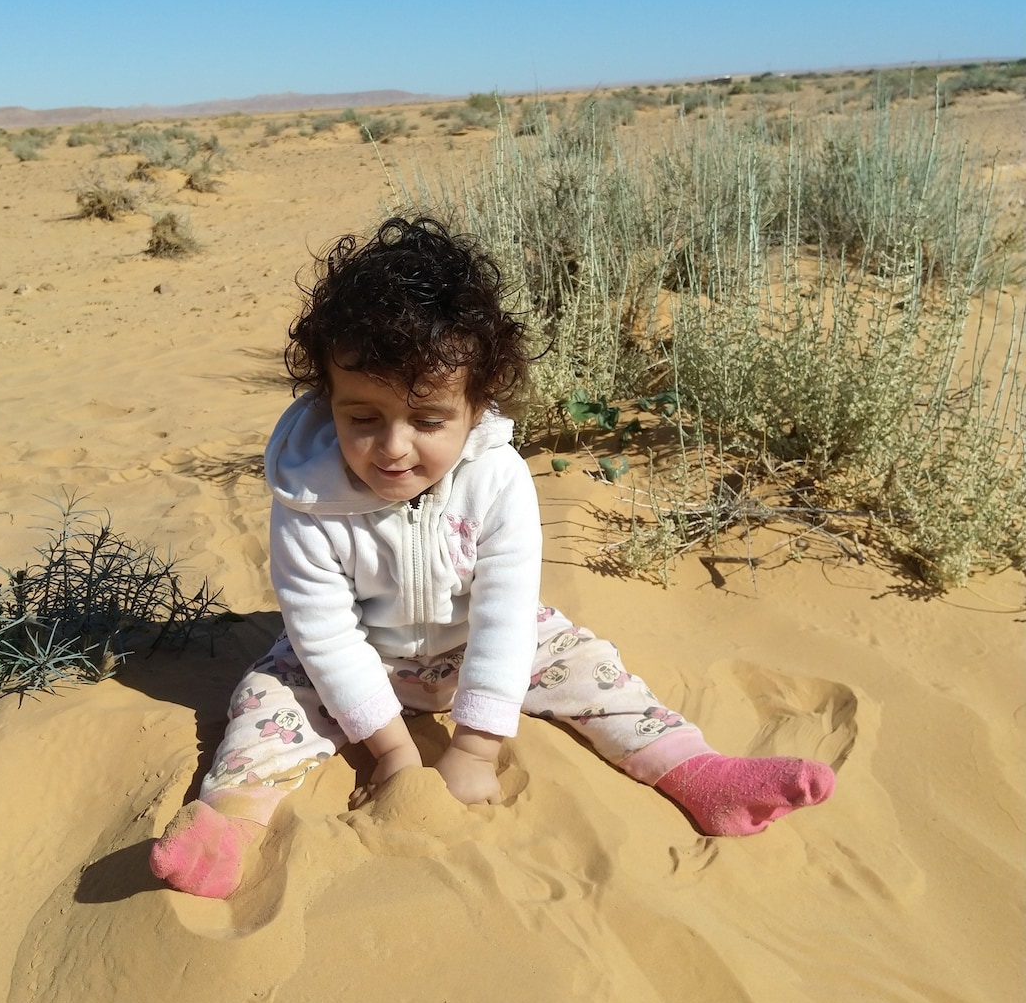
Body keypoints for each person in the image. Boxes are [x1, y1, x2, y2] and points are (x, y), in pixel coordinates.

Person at [150, 217, 834, 898]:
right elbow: (323, 632)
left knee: (597, 673)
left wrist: (475, 747)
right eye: (362, 418)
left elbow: (506, 613)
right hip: (359, 663)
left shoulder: (498, 477)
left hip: (485, 643)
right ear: (328, 401)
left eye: (426, 421)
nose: (391, 447)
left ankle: (700, 773)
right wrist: (394, 752)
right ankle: (230, 824)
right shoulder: (304, 496)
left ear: (478, 408)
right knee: (266, 703)